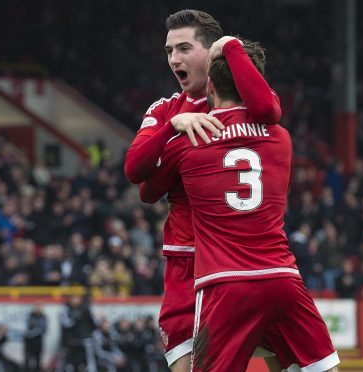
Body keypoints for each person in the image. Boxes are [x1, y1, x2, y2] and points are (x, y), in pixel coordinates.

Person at [140, 41, 339, 371]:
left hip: (224, 282)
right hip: (281, 276)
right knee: (322, 368)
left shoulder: (188, 142)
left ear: (212, 85)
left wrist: (169, 128)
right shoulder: (281, 138)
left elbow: (146, 187)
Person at [123, 9, 282, 372]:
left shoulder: (241, 98)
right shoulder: (166, 109)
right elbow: (136, 172)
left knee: (281, 361)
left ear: (210, 54)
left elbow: (270, 109)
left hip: (240, 257)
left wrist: (233, 47)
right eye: (168, 51)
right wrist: (174, 127)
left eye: (183, 48)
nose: (174, 59)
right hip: (186, 259)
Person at [58, 294, 97, 371]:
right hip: (70, 341)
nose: (76, 300)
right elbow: (66, 324)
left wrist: (88, 335)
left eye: (78, 298)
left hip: (84, 341)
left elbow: (92, 324)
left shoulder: (85, 309)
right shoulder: (66, 309)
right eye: (74, 298)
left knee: (88, 362)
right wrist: (73, 317)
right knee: (68, 364)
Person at [24, 303, 47, 371]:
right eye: (37, 307)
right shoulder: (30, 315)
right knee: (27, 360)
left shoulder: (43, 316)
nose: (38, 308)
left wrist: (33, 332)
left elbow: (43, 329)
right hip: (29, 342)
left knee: (38, 360)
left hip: (38, 341)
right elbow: (27, 328)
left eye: (39, 307)